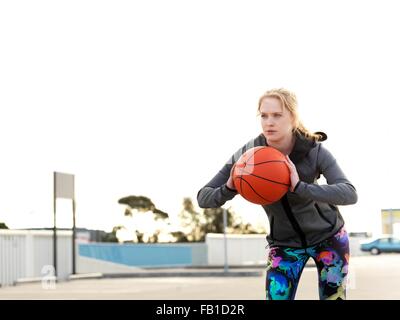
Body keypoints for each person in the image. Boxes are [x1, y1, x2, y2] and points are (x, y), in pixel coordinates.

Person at [197, 88, 358, 300]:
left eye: (277, 115)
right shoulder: (249, 155)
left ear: (292, 117)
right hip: (284, 245)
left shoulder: (313, 150)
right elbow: (203, 197)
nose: (269, 122)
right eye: (263, 115)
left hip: (329, 238)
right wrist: (228, 188)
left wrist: (300, 187)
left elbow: (349, 193)